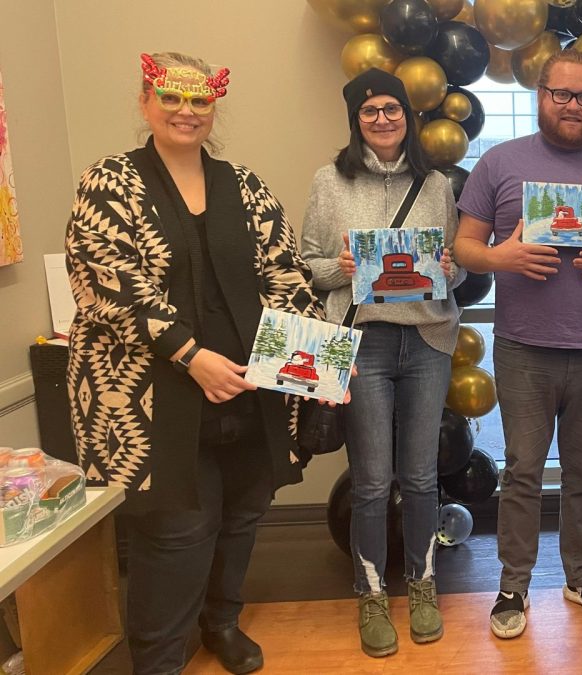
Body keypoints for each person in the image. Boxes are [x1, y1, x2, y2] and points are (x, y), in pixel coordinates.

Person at [65, 52, 322, 674]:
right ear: (145, 102)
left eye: (199, 100)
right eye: (171, 98)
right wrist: (190, 355)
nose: (186, 111)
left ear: (214, 106)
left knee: (241, 515)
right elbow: (105, 282)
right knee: (176, 533)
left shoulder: (246, 184)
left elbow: (288, 277)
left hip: (251, 389)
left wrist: (317, 362)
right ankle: (156, 659)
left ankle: (222, 622)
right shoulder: (111, 181)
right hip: (153, 399)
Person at [454, 49, 582, 639]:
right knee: (522, 471)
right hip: (524, 348)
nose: (573, 106)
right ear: (541, 95)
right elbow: (465, 244)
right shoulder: (499, 162)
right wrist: (500, 256)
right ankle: (512, 585)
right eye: (562, 94)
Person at [299, 68, 463, 657]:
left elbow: (456, 269)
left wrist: (450, 271)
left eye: (393, 109)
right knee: (371, 481)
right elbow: (308, 264)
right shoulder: (329, 180)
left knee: (421, 477)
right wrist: (339, 269)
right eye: (371, 112)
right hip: (363, 341)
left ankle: (422, 585)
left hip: (426, 341)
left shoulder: (437, 183)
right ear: (355, 120)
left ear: (408, 116)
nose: (383, 120)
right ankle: (370, 591)